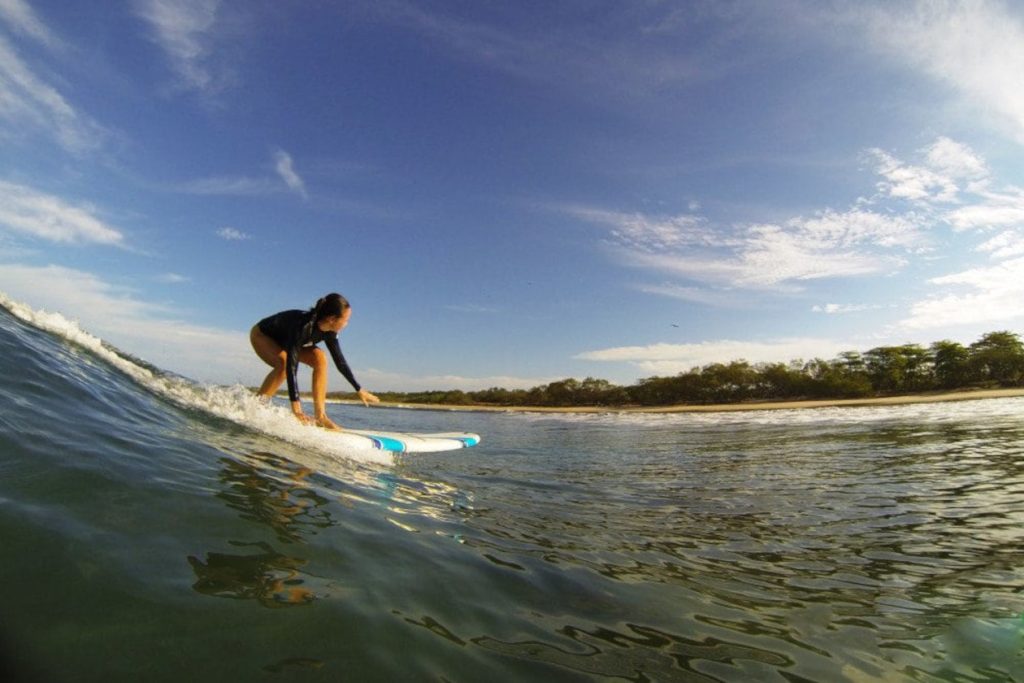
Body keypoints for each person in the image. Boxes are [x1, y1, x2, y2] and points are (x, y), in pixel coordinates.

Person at [250, 293, 379, 430]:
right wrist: (297, 410)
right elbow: (291, 367)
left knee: (320, 358)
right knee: (283, 364)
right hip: (263, 335)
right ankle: (257, 406)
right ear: (332, 319)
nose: (347, 323)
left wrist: (358, 389)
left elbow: (340, 361)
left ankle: (321, 416)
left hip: (287, 341)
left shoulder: (330, 332)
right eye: (346, 320)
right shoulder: (303, 327)